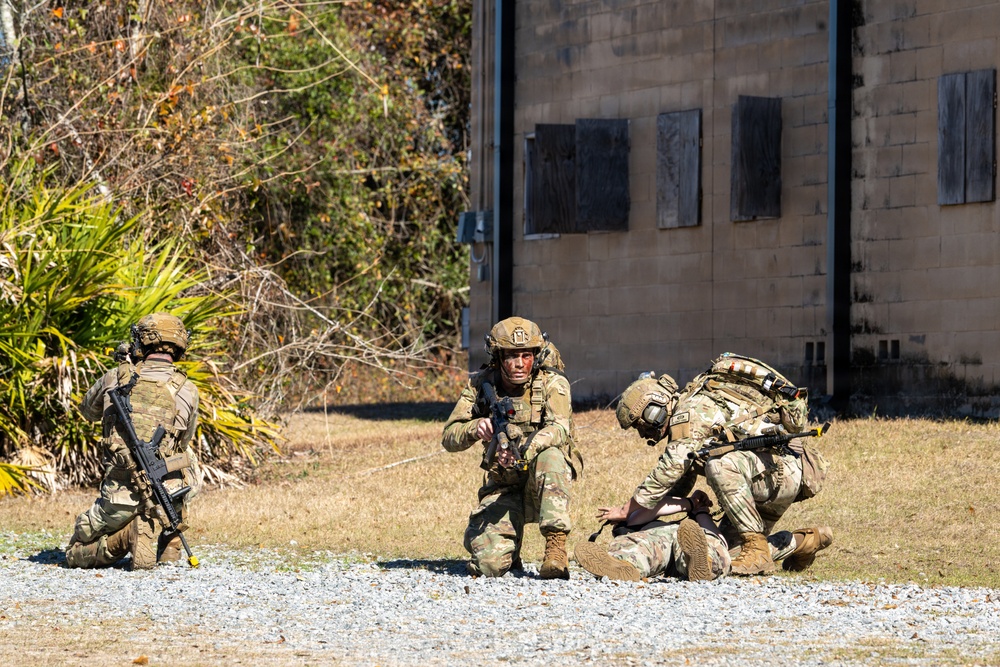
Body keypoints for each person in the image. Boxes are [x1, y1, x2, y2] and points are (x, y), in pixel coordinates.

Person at [608, 354, 832, 576]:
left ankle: (756, 548)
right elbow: (675, 485)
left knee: (718, 465)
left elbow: (669, 469)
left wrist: (627, 508)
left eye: (645, 421)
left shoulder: (691, 411)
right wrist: (636, 519)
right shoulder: (687, 427)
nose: (645, 432)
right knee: (725, 557)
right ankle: (802, 542)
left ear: (656, 405)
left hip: (781, 473)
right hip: (767, 478)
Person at [442, 317, 583, 579]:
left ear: (536, 356)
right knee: (488, 566)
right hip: (504, 487)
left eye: (526, 355)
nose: (519, 363)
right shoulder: (481, 384)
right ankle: (509, 548)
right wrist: (476, 427)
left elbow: (559, 429)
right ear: (498, 357)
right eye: (511, 356)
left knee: (552, 455)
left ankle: (556, 549)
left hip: (543, 488)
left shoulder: (552, 382)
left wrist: (524, 452)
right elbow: (448, 437)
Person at [65, 312, 200, 570]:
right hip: (164, 497)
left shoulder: (115, 377)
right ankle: (170, 544)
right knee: (186, 457)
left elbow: (87, 411)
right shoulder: (187, 389)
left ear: (141, 341)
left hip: (119, 499)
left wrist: (125, 368)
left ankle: (125, 537)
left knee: (74, 553)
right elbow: (183, 442)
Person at [575, 489, 730, 582]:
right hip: (661, 540)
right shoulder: (634, 522)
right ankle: (619, 567)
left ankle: (702, 563)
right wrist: (692, 504)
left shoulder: (692, 532)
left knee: (704, 542)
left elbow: (717, 538)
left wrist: (698, 510)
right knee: (638, 544)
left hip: (681, 541)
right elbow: (654, 506)